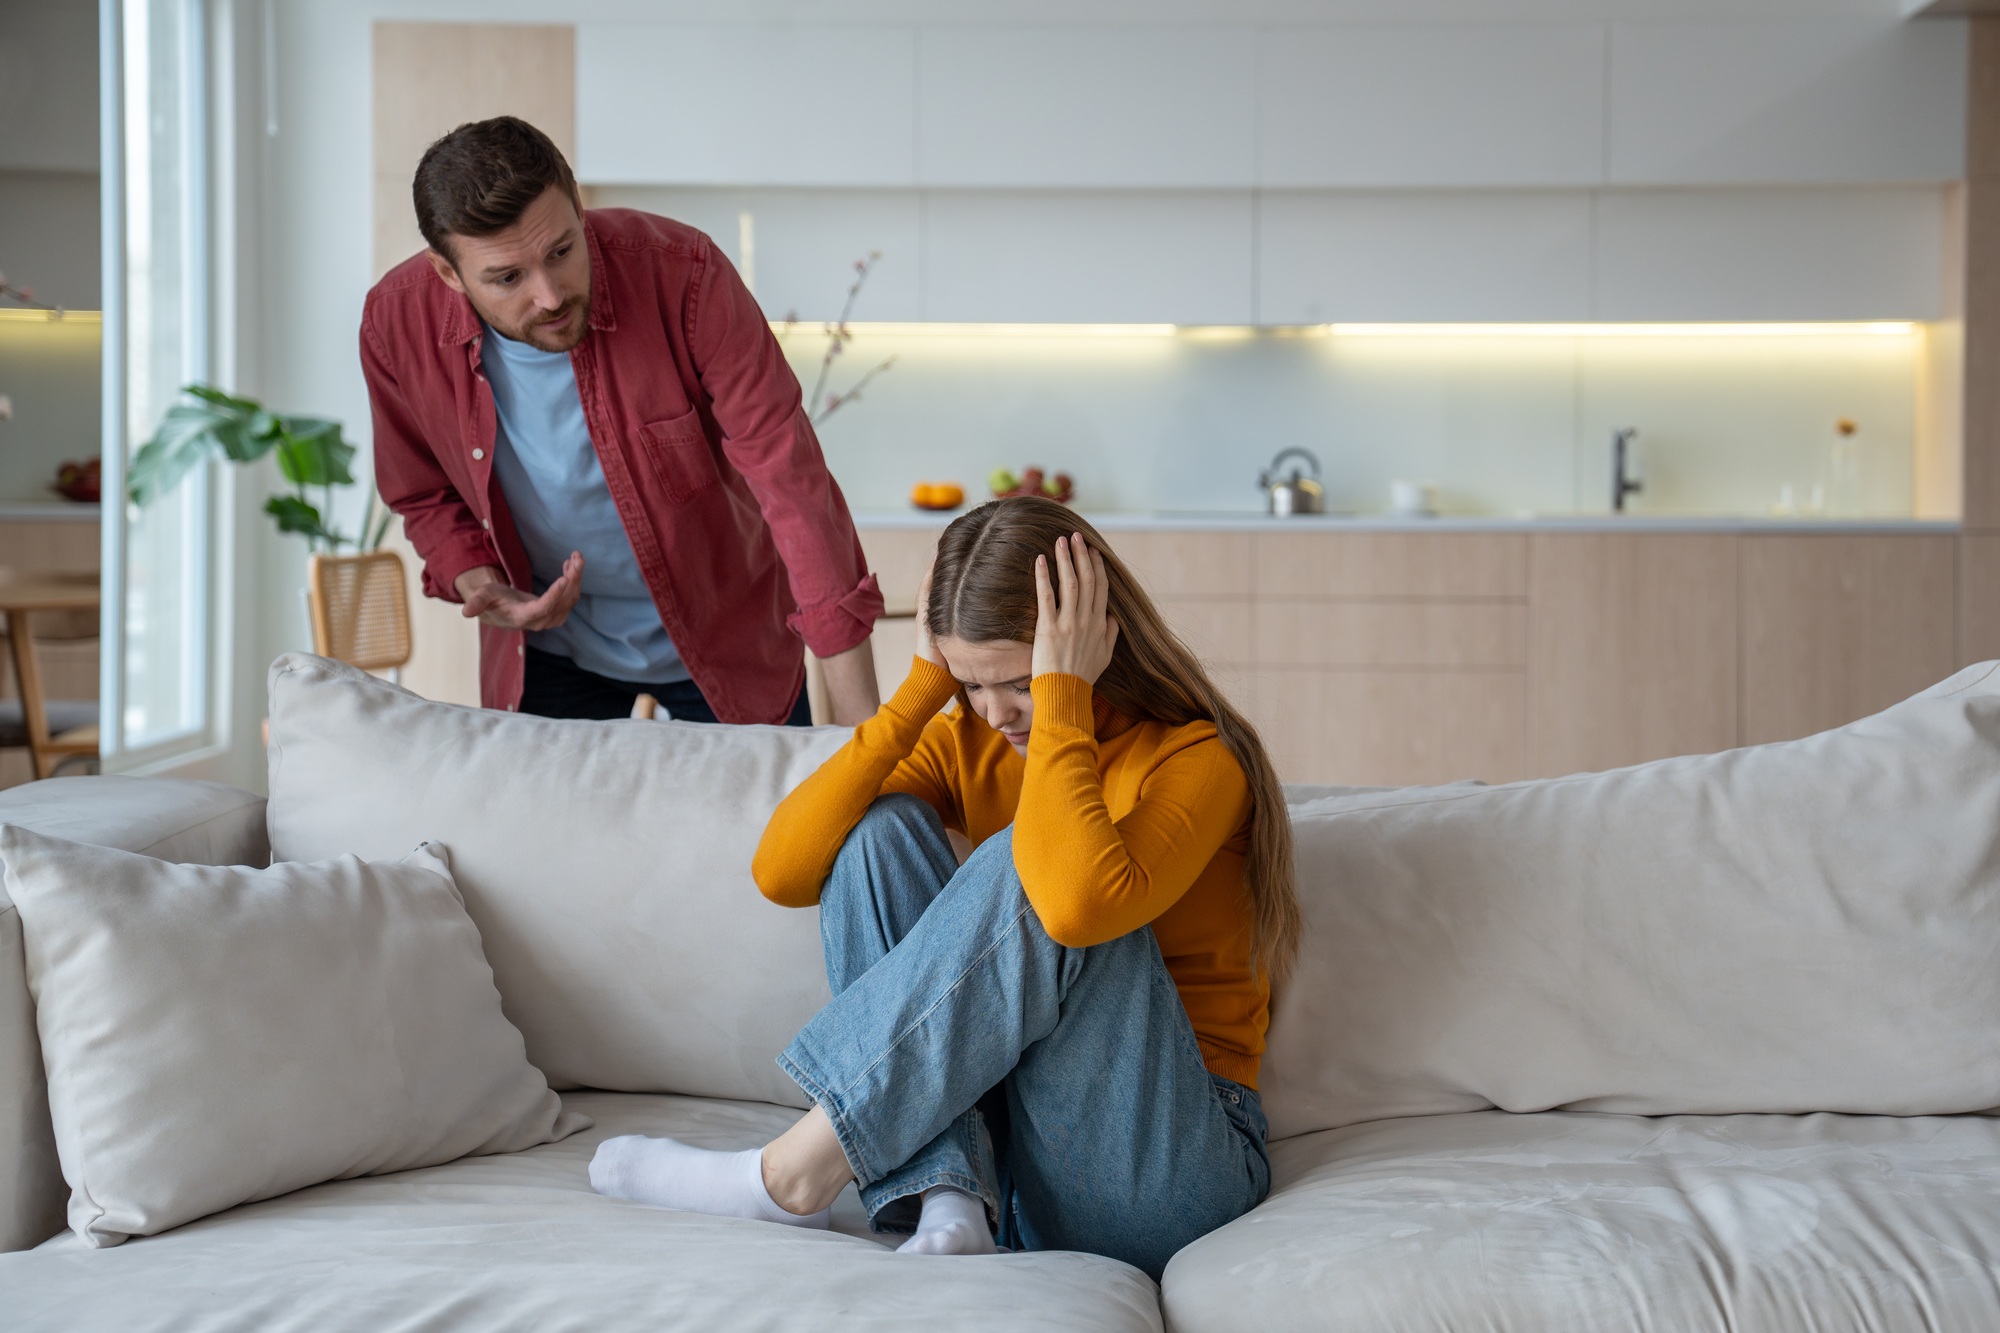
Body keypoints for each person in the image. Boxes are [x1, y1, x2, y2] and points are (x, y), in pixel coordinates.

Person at [587, 496, 1301, 1278]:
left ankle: (791, 1173)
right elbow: (782, 869)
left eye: (1020, 681)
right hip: (1020, 1152)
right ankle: (949, 1195)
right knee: (876, 830)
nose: (996, 712)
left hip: (1172, 1166)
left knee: (1031, 860)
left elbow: (1073, 903)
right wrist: (922, 690)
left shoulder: (1198, 760)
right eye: (971, 683)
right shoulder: (969, 732)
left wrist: (1063, 700)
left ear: (1091, 643)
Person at [363, 116, 883, 724]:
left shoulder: (684, 274)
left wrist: (862, 736)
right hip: (549, 655)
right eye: (508, 278)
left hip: (727, 638)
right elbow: (422, 493)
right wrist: (483, 586)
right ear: (449, 273)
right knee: (554, 823)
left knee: (769, 823)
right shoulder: (396, 324)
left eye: (562, 251)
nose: (551, 294)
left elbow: (789, 478)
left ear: (578, 207)